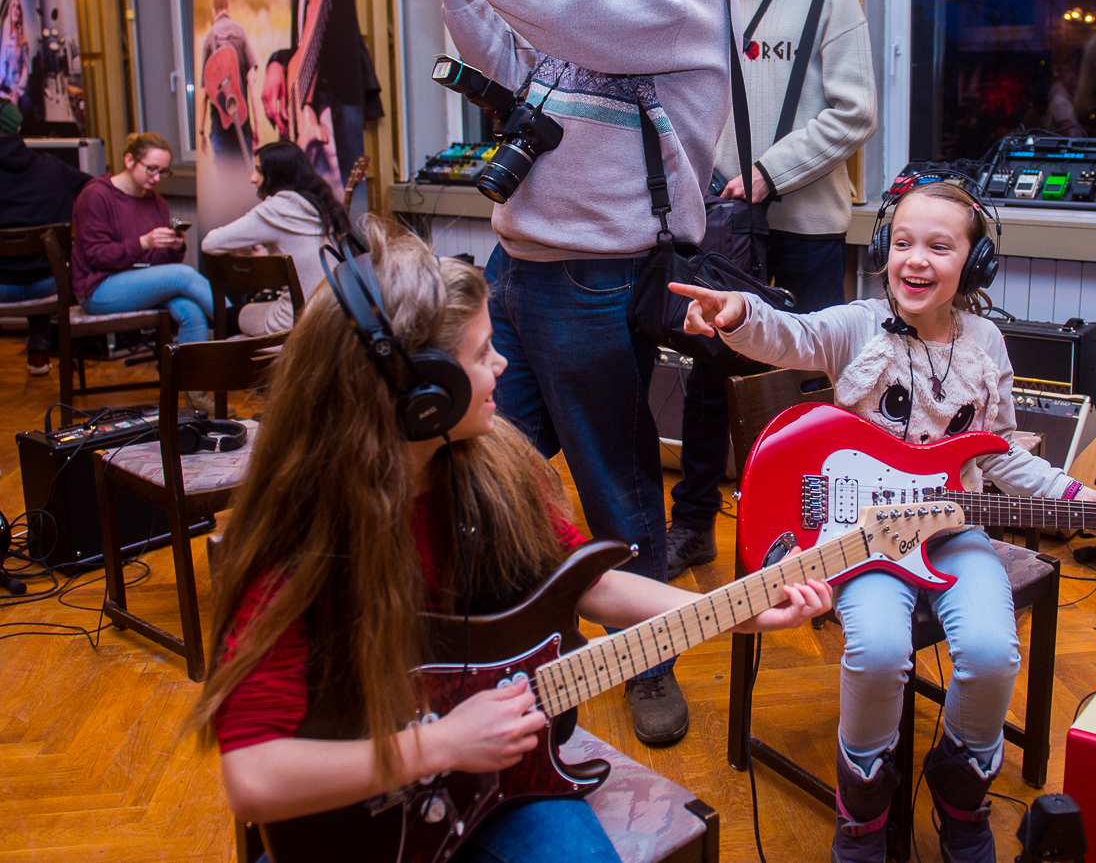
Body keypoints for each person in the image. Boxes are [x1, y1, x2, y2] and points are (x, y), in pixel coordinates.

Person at [185, 222, 830, 863]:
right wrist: (441, 745)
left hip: (498, 781)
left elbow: (588, 583)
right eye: (482, 353)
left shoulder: (492, 463)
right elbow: (253, 779)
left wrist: (734, 611)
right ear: (424, 395)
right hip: (360, 824)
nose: (501, 364)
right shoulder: (305, 540)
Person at [669, 180, 1096, 863]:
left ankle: (961, 795)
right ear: (883, 252)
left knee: (990, 651)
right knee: (879, 650)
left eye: (939, 247)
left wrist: (1081, 497)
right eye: (902, 243)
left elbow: (1001, 454)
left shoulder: (985, 343)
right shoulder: (860, 325)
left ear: (974, 263)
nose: (916, 259)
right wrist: (738, 310)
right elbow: (791, 333)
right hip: (863, 540)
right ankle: (862, 815)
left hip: (953, 534)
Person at [389, 0, 731, 745]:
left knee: (616, 484)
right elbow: (510, 66)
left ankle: (649, 663)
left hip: (594, 282)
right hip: (516, 273)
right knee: (479, 458)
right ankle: (501, 636)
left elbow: (563, 2)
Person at [665, 0, 878, 579]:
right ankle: (693, 525)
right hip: (726, 228)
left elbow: (855, 112)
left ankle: (814, 546)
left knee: (807, 385)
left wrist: (768, 172)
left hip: (805, 229)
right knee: (708, 373)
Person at [71, 133, 212, 344]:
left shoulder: (157, 203)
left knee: (192, 312)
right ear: (129, 161)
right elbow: (97, 257)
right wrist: (144, 243)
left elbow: (158, 265)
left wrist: (173, 247)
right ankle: (237, 323)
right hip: (98, 288)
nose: (157, 178)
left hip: (139, 283)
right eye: (151, 169)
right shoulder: (96, 195)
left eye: (163, 172)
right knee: (183, 275)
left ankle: (196, 368)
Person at [201, 141, 351, 335]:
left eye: (259, 171)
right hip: (334, 314)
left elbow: (210, 244)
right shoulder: (319, 205)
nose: (252, 178)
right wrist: (264, 252)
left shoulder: (278, 208)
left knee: (229, 316)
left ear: (277, 174)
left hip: (299, 318)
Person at [260, 0, 368, 192]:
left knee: (351, 198)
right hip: (308, 92)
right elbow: (303, 35)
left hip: (343, 91)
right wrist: (276, 62)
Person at [0, 97, 89, 374]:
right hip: (51, 286)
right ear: (18, 129)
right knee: (41, 263)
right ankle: (39, 352)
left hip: (2, 289)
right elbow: (94, 189)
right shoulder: (52, 167)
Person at [195, 0, 258, 160]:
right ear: (228, 7)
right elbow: (252, 81)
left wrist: (201, 131)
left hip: (219, 128)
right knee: (246, 174)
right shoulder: (240, 33)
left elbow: (204, 94)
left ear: (213, 11)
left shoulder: (209, 39)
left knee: (225, 177)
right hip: (243, 124)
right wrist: (257, 126)